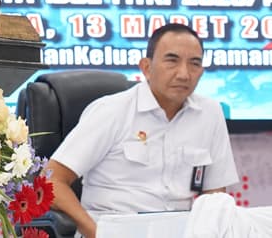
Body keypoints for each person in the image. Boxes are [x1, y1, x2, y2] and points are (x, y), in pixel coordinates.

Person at [47, 23, 239, 238]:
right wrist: (96, 232)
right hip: (114, 230)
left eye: (194, 63)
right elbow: (51, 180)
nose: (184, 74)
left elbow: (215, 196)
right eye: (172, 60)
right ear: (146, 67)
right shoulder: (112, 110)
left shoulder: (210, 113)